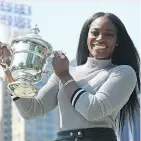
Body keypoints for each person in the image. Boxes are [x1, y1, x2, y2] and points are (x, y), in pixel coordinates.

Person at [3, 12, 140, 141]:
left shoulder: (123, 72)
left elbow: (93, 110)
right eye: (95, 33)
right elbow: (31, 110)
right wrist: (9, 68)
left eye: (108, 34)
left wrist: (65, 76)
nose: (100, 38)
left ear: (117, 40)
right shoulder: (65, 72)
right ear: (87, 36)